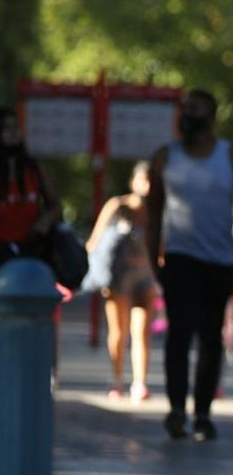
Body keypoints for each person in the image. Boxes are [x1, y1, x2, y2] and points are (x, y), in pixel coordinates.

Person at [146, 89, 233, 441]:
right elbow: (153, 213)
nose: (187, 115)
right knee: (178, 335)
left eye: (195, 109)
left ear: (211, 115)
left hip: (219, 260)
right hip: (181, 259)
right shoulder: (166, 157)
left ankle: (203, 413)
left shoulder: (230, 156)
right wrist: (155, 260)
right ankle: (177, 409)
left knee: (211, 338)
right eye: (185, 109)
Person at [86, 161, 159, 402]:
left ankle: (140, 382)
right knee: (119, 331)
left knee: (142, 332)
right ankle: (116, 378)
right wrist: (101, 272)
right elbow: (94, 242)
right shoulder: (117, 206)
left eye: (150, 180)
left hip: (145, 276)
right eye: (142, 180)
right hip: (118, 277)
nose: (146, 186)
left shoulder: (156, 210)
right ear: (133, 182)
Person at [0, 107, 61, 268]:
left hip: (31, 250)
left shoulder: (34, 168)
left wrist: (44, 222)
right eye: (6, 128)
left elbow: (54, 205)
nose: (13, 132)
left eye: (16, 127)